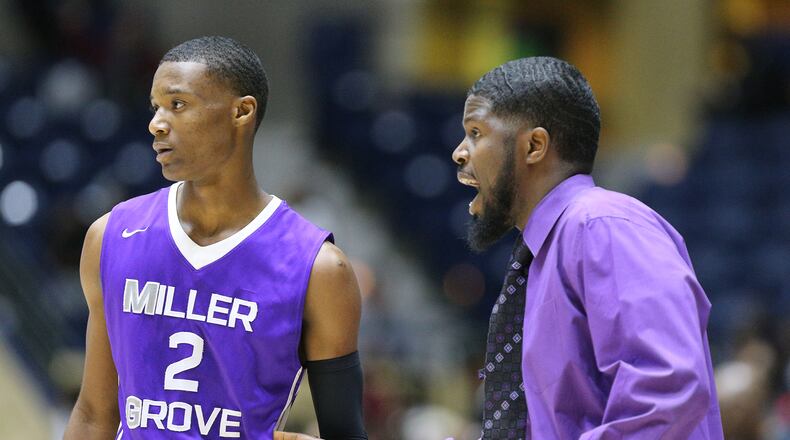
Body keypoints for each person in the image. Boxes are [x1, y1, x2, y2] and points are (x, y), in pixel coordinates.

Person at [63, 36, 367, 440]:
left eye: (177, 105)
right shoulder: (111, 235)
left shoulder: (319, 269)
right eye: (155, 107)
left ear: (241, 112)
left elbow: (344, 433)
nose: (156, 123)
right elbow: (93, 413)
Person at [452, 57, 724, 439]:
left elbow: (665, 391)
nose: (460, 153)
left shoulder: (603, 225)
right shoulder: (546, 252)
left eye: (476, 132)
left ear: (534, 146)